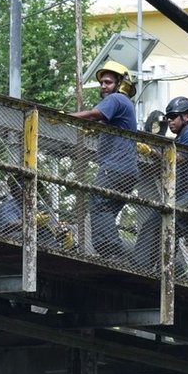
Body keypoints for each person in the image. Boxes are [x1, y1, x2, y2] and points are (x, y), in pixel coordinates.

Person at [69, 60, 140, 257]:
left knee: (99, 205)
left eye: (108, 82)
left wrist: (65, 117)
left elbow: (94, 113)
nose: (103, 86)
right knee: (107, 210)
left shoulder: (117, 99)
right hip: (127, 170)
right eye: (102, 83)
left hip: (115, 168)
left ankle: (112, 252)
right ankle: (114, 252)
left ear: (120, 84)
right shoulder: (125, 104)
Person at [136, 95, 188, 272]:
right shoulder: (179, 140)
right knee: (179, 234)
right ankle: (168, 270)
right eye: (168, 117)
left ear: (187, 117)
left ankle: (140, 266)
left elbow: (176, 160)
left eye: (173, 116)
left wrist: (150, 151)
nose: (170, 121)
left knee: (157, 221)